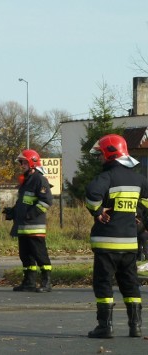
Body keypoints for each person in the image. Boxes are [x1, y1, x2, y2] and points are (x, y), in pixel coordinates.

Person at [85, 134, 146, 338]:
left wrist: (97, 211)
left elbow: (92, 195)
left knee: (103, 284)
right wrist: (140, 219)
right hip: (129, 245)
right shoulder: (139, 179)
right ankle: (135, 327)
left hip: (106, 245)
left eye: (101, 155)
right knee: (130, 285)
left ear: (110, 154)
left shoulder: (106, 177)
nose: (100, 159)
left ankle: (105, 327)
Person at [5, 149, 53, 293]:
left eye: (24, 162)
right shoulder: (27, 180)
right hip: (24, 227)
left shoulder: (39, 179)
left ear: (32, 162)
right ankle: (29, 282)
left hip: (34, 227)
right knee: (25, 256)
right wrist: (13, 212)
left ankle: (47, 282)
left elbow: (46, 201)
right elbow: (24, 202)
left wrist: (30, 215)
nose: (22, 165)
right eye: (21, 162)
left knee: (40, 255)